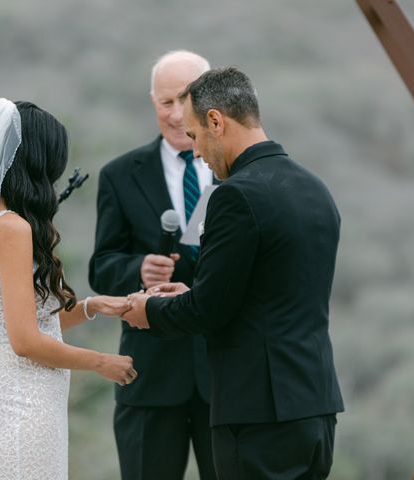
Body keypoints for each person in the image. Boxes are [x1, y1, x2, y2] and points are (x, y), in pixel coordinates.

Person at [124, 67, 344, 480]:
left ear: (215, 121)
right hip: (316, 406)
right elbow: (269, 293)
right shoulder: (316, 189)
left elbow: (208, 310)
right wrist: (191, 292)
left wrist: (148, 311)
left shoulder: (235, 196)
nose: (195, 151)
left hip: (259, 413)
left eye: (193, 136)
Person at [0, 99, 137, 479]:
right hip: (22, 409)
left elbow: (27, 324)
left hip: (27, 404)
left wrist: (91, 306)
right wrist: (101, 362)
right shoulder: (12, 228)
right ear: (35, 160)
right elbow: (24, 341)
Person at [88, 50, 217, 480]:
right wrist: (138, 271)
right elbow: (102, 265)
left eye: (187, 98)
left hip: (225, 374)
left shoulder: (238, 171)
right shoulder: (119, 175)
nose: (178, 114)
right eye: (166, 102)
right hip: (149, 374)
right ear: (152, 103)